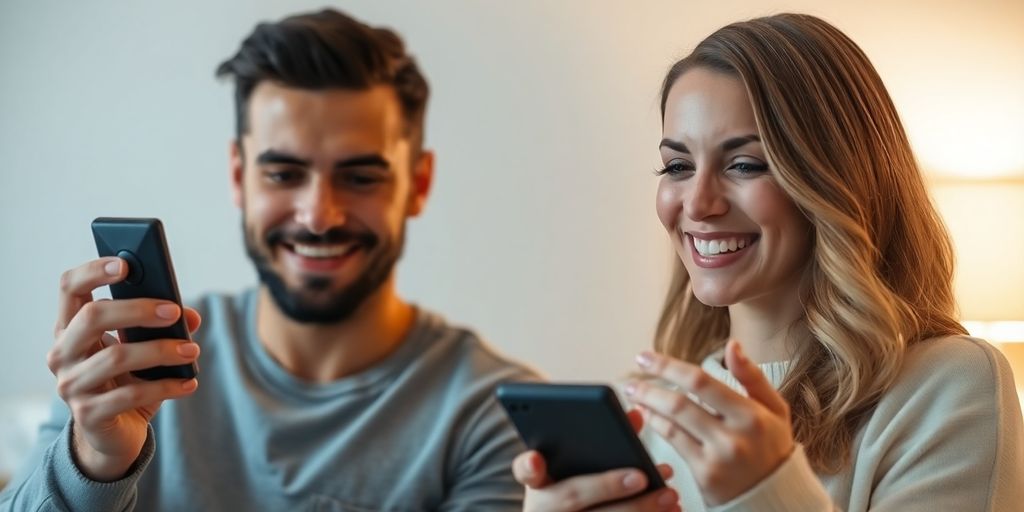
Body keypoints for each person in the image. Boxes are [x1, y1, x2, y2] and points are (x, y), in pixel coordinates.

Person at [1, 8, 538, 511]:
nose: (319, 216)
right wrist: (93, 461)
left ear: (418, 184)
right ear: (239, 177)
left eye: (360, 177)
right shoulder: (129, 367)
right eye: (283, 174)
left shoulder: (495, 415)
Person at [513, 13, 1024, 512]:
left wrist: (766, 493)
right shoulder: (648, 416)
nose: (696, 203)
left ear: (833, 180)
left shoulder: (949, 387)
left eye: (745, 164)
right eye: (678, 166)